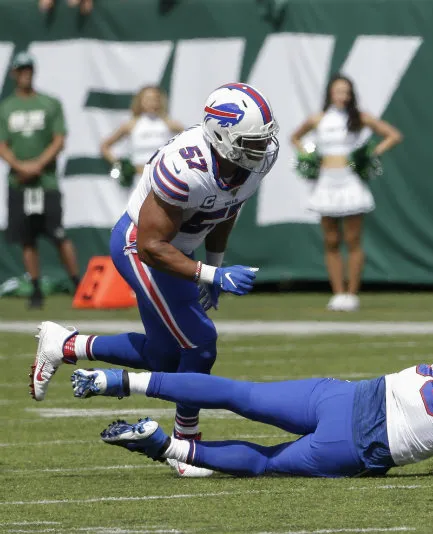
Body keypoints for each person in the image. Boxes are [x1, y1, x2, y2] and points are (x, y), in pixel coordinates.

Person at [29, 82, 281, 477]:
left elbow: (227, 210)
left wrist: (214, 263)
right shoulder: (185, 165)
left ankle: (67, 344)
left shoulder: (251, 163)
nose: (260, 149)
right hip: (141, 247)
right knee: (200, 344)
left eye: (262, 140)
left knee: (165, 357)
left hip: (178, 248)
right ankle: (186, 447)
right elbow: (149, 245)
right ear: (221, 134)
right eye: (249, 141)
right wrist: (210, 273)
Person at [69, 311, 433, 478]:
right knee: (266, 464)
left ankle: (119, 381)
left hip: (352, 394)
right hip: (362, 444)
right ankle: (166, 446)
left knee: (237, 392)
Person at [291, 74, 402, 312]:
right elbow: (295, 137)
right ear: (330, 93)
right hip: (326, 182)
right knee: (331, 240)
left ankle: (352, 293)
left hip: (350, 180)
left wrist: (370, 154)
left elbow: (393, 135)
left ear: (351, 95)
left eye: (346, 92)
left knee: (353, 240)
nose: (342, 96)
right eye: (338, 91)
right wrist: (308, 155)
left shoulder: (359, 118)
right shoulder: (318, 118)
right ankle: (337, 293)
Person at [0, 51, 80, 309]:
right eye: (21, 70)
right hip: (19, 183)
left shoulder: (49, 103)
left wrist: (38, 164)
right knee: (27, 238)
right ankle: (35, 288)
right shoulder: (6, 108)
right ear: (13, 74)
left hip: (46, 182)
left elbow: (59, 138)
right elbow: (2, 143)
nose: (25, 74)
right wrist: (19, 165)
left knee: (58, 234)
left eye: (29, 69)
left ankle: (77, 283)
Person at [100, 86, 183, 187]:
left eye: (155, 99)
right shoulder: (131, 124)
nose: (152, 103)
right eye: (148, 99)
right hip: (138, 179)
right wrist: (119, 163)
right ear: (140, 101)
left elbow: (191, 141)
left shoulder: (169, 123)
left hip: (163, 179)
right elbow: (105, 146)